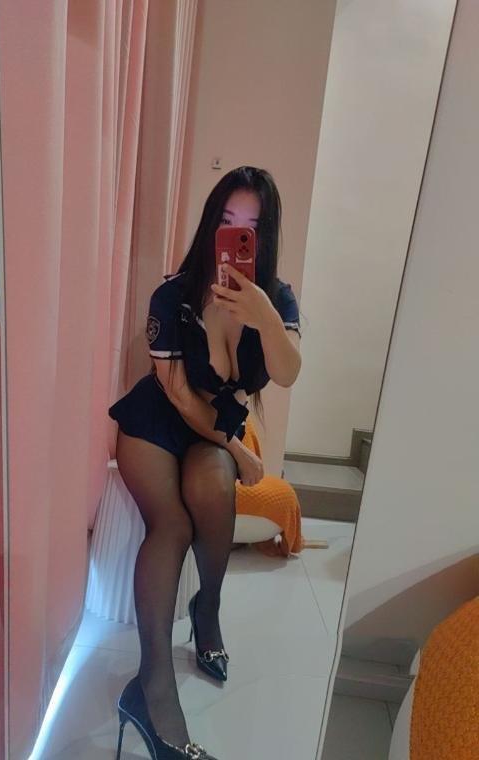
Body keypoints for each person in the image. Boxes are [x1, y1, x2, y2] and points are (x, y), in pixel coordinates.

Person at [110, 166, 302, 760]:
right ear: (210, 226)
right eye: (227, 221)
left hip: (212, 433)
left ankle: (207, 608)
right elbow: (179, 397)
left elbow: (288, 372)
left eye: (252, 227)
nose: (237, 238)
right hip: (157, 420)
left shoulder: (277, 300)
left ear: (265, 237)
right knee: (171, 524)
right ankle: (152, 692)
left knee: (215, 489)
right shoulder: (173, 295)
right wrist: (240, 450)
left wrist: (263, 315)